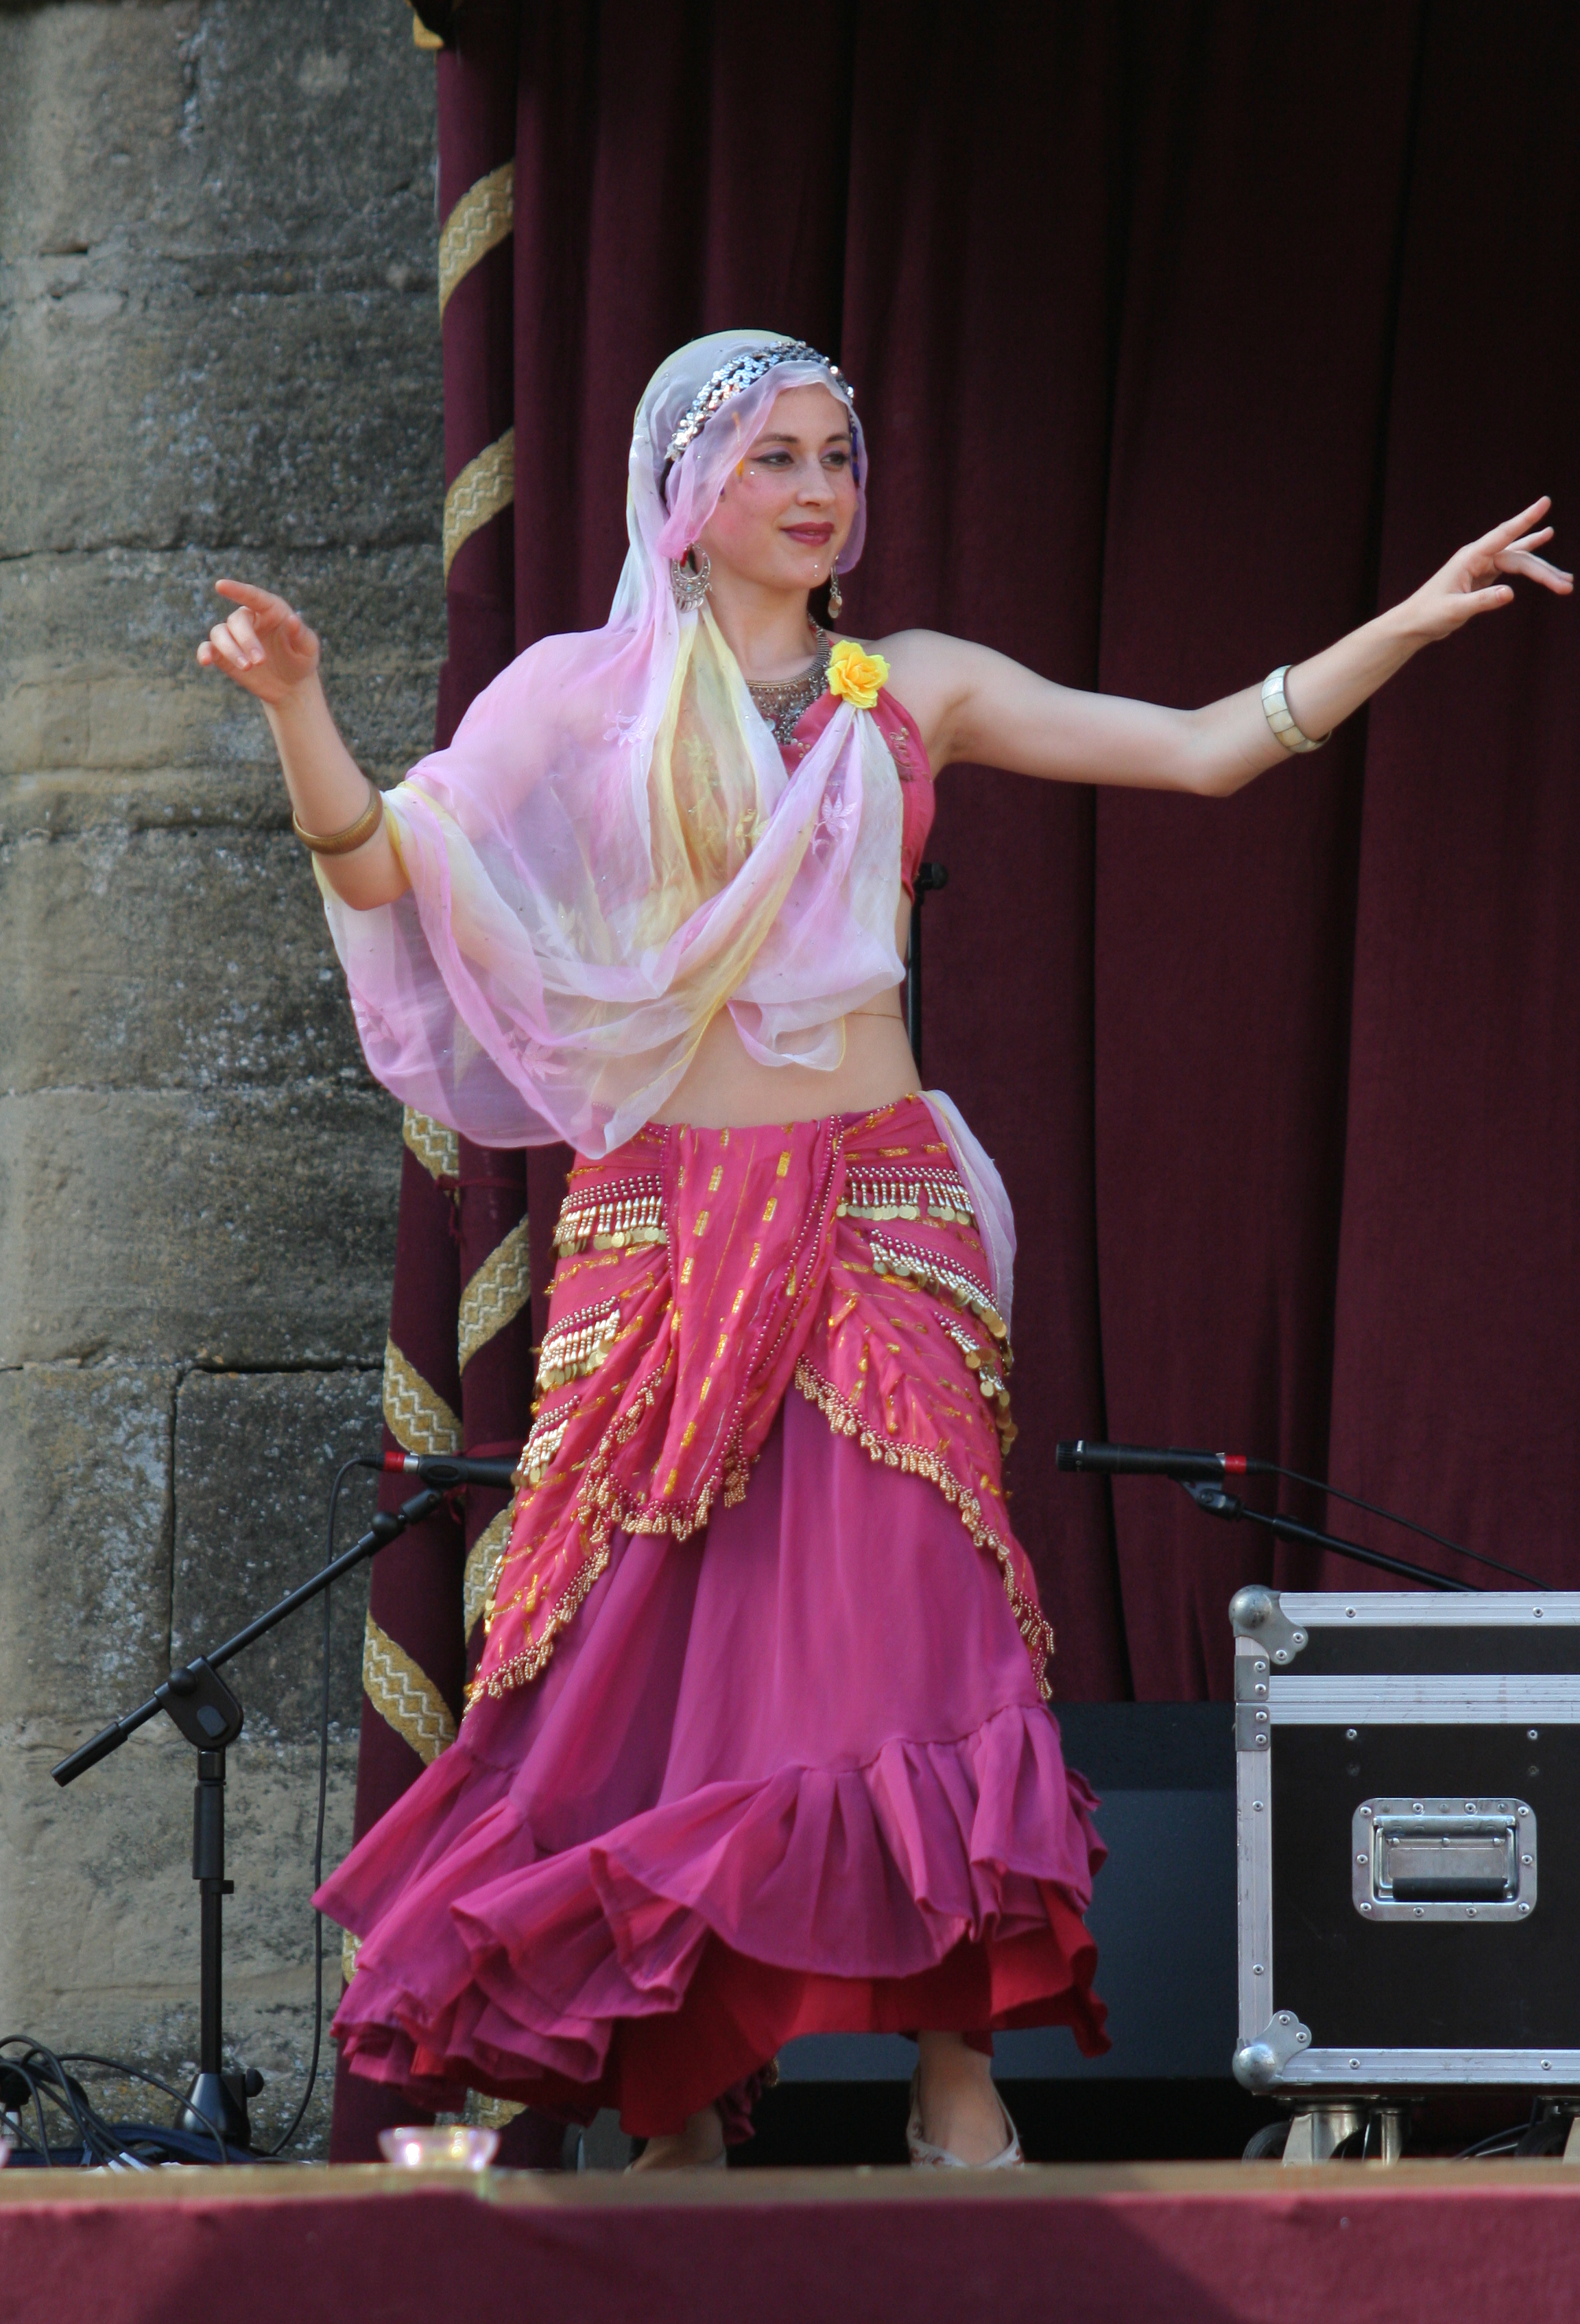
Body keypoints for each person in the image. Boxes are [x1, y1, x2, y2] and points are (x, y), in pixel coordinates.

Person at [198, 331, 1568, 2168]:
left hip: (876, 1214)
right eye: (775, 456)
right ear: (688, 492)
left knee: (916, 1637)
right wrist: (298, 708)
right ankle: (676, 2104)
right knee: (651, 1657)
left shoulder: (908, 685)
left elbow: (1202, 750)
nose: (818, 488)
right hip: (659, 1232)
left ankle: (957, 2088)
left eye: (838, 455)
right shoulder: (576, 702)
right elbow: (386, 865)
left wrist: (1403, 624)